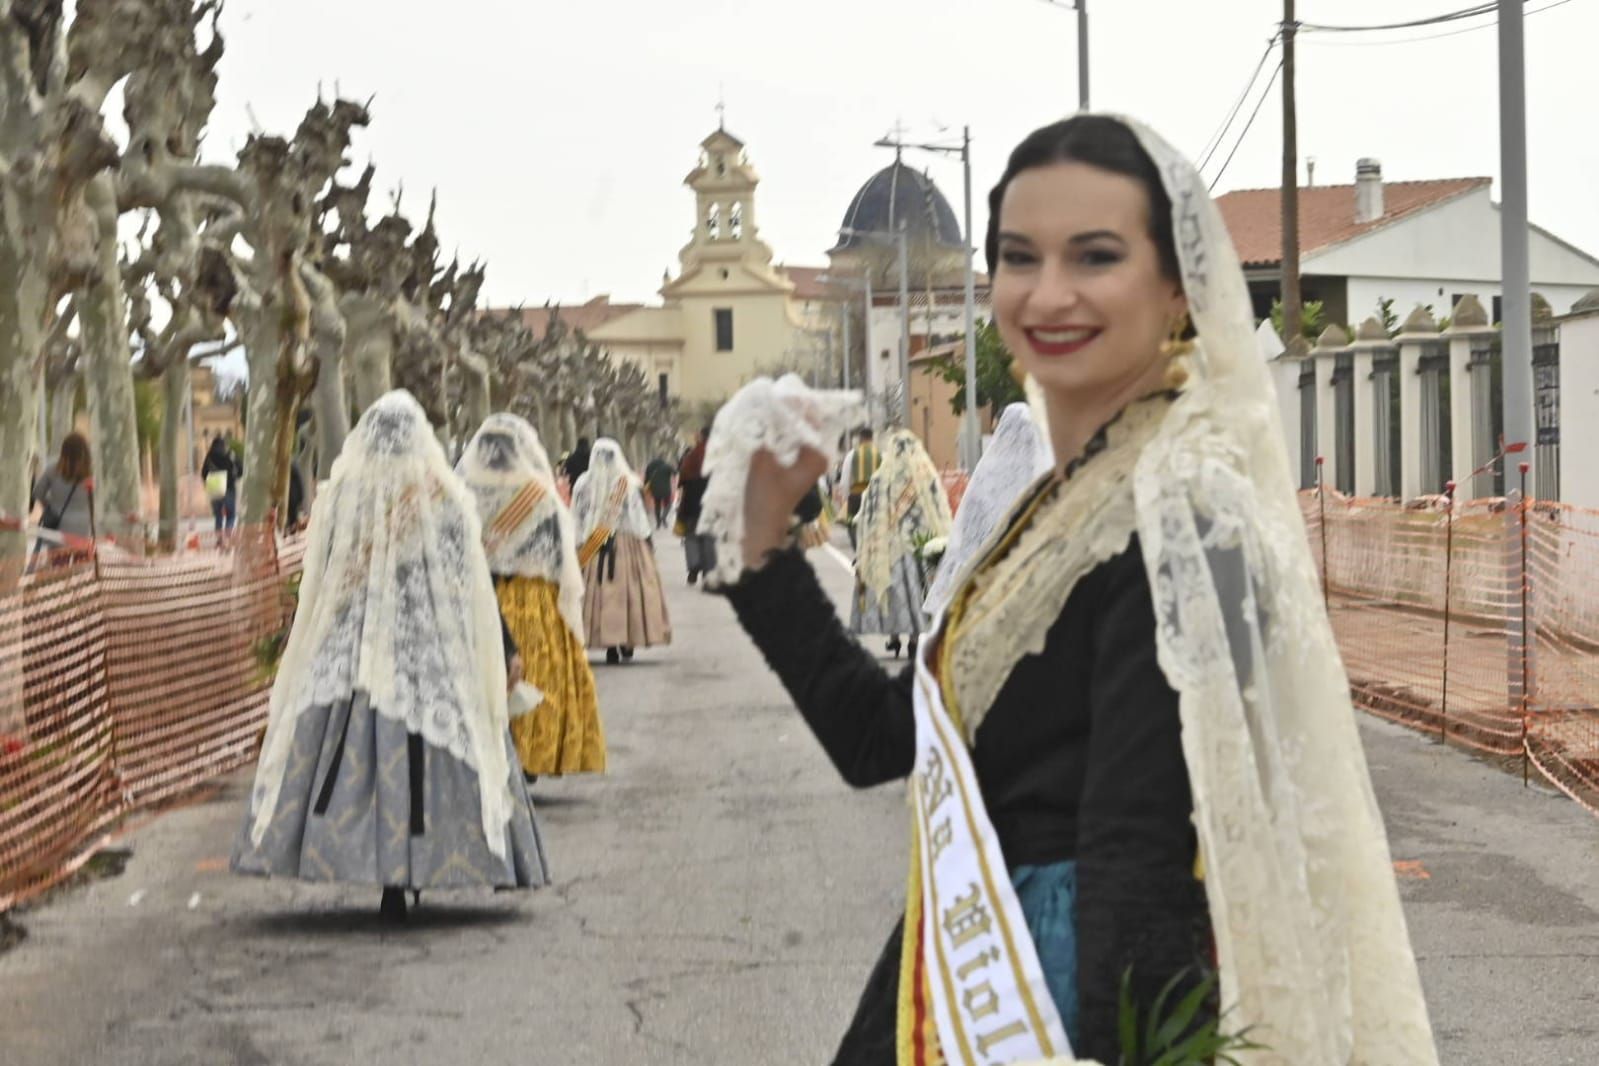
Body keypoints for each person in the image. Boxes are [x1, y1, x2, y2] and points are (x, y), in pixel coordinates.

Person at [718, 115, 1436, 1063]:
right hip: (980, 971)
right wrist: (762, 545)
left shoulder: (1184, 512)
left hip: (1067, 1002)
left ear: (1176, 288)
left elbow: (1140, 869)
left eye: (1092, 257)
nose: (1047, 293)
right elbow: (881, 738)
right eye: (1019, 258)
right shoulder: (1068, 503)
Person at [232, 390, 549, 924]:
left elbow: (326, 577)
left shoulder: (344, 496)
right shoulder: (442, 495)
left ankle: (373, 871)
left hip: (355, 650)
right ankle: (425, 861)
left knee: (345, 755)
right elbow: (468, 584)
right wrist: (504, 648)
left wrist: (306, 638)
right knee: (435, 755)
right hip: (431, 650)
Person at [458, 413, 605, 781]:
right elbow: (560, 550)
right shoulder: (537, 494)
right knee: (538, 675)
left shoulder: (463, 490)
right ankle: (529, 753)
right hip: (532, 598)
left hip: (481, 595)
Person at [849, 428, 951, 659]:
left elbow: (868, 514)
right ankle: (915, 639)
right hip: (918, 545)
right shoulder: (925, 476)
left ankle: (894, 638)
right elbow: (936, 508)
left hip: (889, 548)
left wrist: (866, 546)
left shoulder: (881, 478)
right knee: (916, 595)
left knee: (893, 594)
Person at [571, 438, 671, 664]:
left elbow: (576, 515)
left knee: (596, 595)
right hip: (626, 544)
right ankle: (626, 640)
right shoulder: (626, 483)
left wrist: (576, 544)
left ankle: (607, 642)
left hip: (592, 545)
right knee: (629, 594)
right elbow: (636, 517)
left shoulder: (583, 483)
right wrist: (647, 540)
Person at [30, 432, 94, 561]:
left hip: (57, 528)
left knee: (58, 570)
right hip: (83, 530)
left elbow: (37, 492)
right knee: (81, 573)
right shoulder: (90, 472)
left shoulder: (52, 469)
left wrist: (50, 504)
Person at [676, 427, 713, 584]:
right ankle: (708, 571)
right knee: (709, 537)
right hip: (712, 503)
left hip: (691, 502)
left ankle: (693, 570)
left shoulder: (691, 456)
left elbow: (682, 479)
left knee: (691, 536)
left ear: (701, 437)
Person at [838, 427, 880, 550]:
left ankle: (858, 550)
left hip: (856, 496)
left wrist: (846, 497)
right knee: (874, 525)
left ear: (860, 439)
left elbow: (845, 480)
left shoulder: (852, 454)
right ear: (872, 438)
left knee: (852, 525)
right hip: (875, 496)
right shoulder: (879, 454)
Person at [201, 435, 239, 532]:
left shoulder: (209, 456)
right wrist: (234, 477)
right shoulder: (230, 454)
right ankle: (227, 538)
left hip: (214, 486)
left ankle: (219, 541)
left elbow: (203, 473)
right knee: (230, 515)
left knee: (218, 516)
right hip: (229, 487)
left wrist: (208, 482)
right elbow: (240, 469)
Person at [643, 454, 675, 528]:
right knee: (668, 504)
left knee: (657, 505)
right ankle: (664, 517)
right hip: (666, 490)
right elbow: (675, 472)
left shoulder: (650, 466)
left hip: (655, 489)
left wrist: (646, 488)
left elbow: (646, 479)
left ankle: (658, 523)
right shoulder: (666, 466)